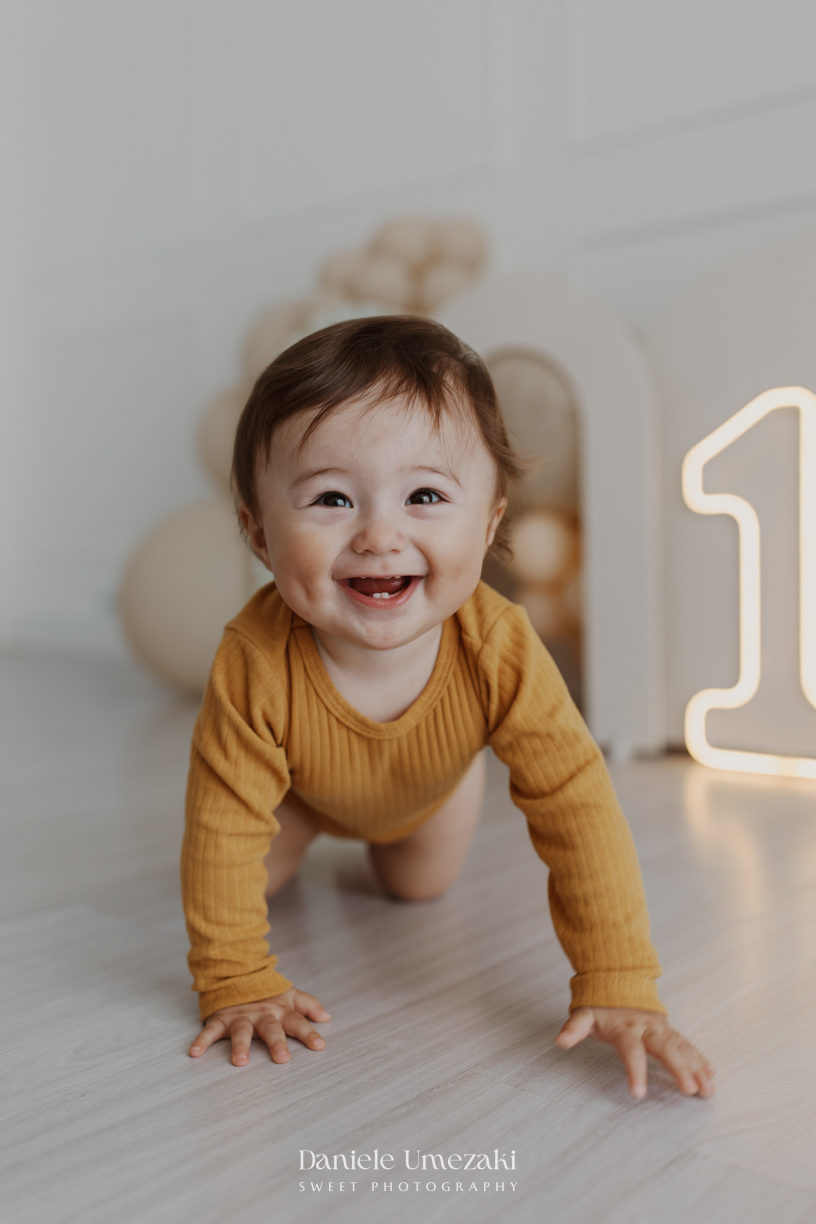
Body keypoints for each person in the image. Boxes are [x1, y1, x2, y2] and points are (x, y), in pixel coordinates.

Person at [182, 315, 714, 1100]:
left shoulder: (497, 646)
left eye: (425, 495)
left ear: (492, 520)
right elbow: (221, 823)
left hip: (427, 795)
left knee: (416, 890)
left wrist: (618, 978)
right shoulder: (254, 657)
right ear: (259, 534)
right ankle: (297, 854)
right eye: (331, 498)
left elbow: (577, 807)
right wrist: (235, 980)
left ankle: (448, 784)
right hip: (291, 792)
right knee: (251, 884)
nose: (379, 534)